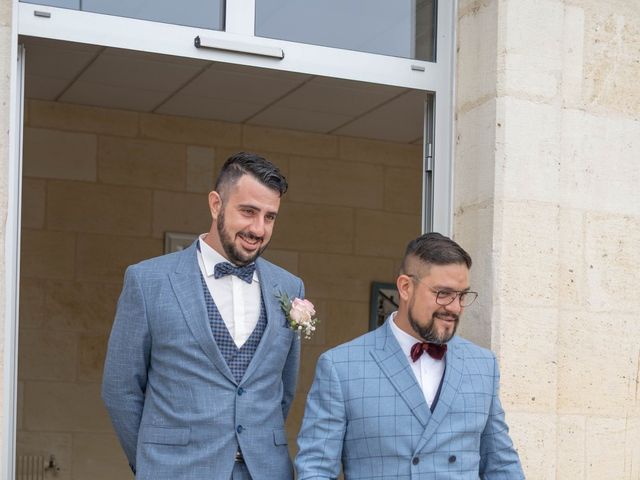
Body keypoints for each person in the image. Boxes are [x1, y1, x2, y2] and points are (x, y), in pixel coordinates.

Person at [102, 152, 303, 480]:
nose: (258, 228)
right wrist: (151, 463)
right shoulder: (149, 280)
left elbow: (284, 388)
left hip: (265, 470)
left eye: (270, 217)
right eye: (248, 211)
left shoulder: (290, 286)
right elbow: (120, 387)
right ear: (215, 204)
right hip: (176, 471)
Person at [296, 232, 524, 479]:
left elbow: (501, 466)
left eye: (462, 295)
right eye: (443, 293)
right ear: (405, 287)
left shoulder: (483, 365)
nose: (455, 307)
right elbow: (315, 470)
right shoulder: (340, 366)